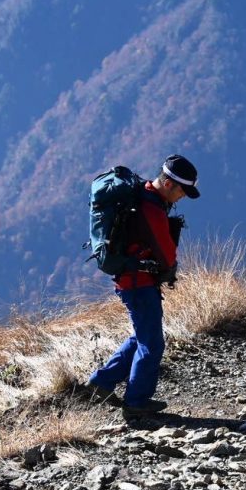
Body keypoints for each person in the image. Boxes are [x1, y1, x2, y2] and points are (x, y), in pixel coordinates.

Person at [86, 154, 200, 419]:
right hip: (140, 283)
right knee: (153, 343)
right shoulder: (152, 209)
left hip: (130, 279)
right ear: (170, 184)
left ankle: (102, 382)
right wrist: (169, 268)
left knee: (142, 335)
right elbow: (168, 255)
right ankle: (137, 402)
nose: (182, 196)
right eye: (183, 190)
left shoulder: (142, 197)